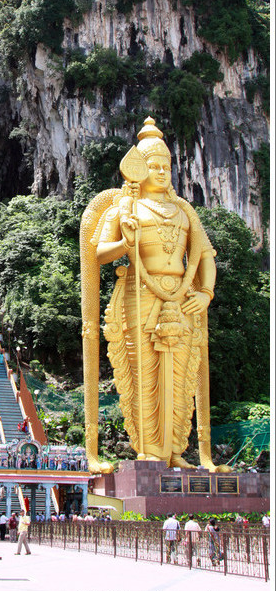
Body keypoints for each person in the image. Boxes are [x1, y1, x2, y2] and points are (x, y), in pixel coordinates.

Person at [82, 116, 231, 473]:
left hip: (181, 297)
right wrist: (125, 241)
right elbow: (98, 253)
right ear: (139, 170)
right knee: (143, 373)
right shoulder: (125, 207)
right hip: (138, 295)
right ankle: (149, 449)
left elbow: (205, 256)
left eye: (166, 165)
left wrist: (206, 292)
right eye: (153, 166)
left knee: (181, 376)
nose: (162, 172)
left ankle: (177, 449)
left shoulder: (184, 211)